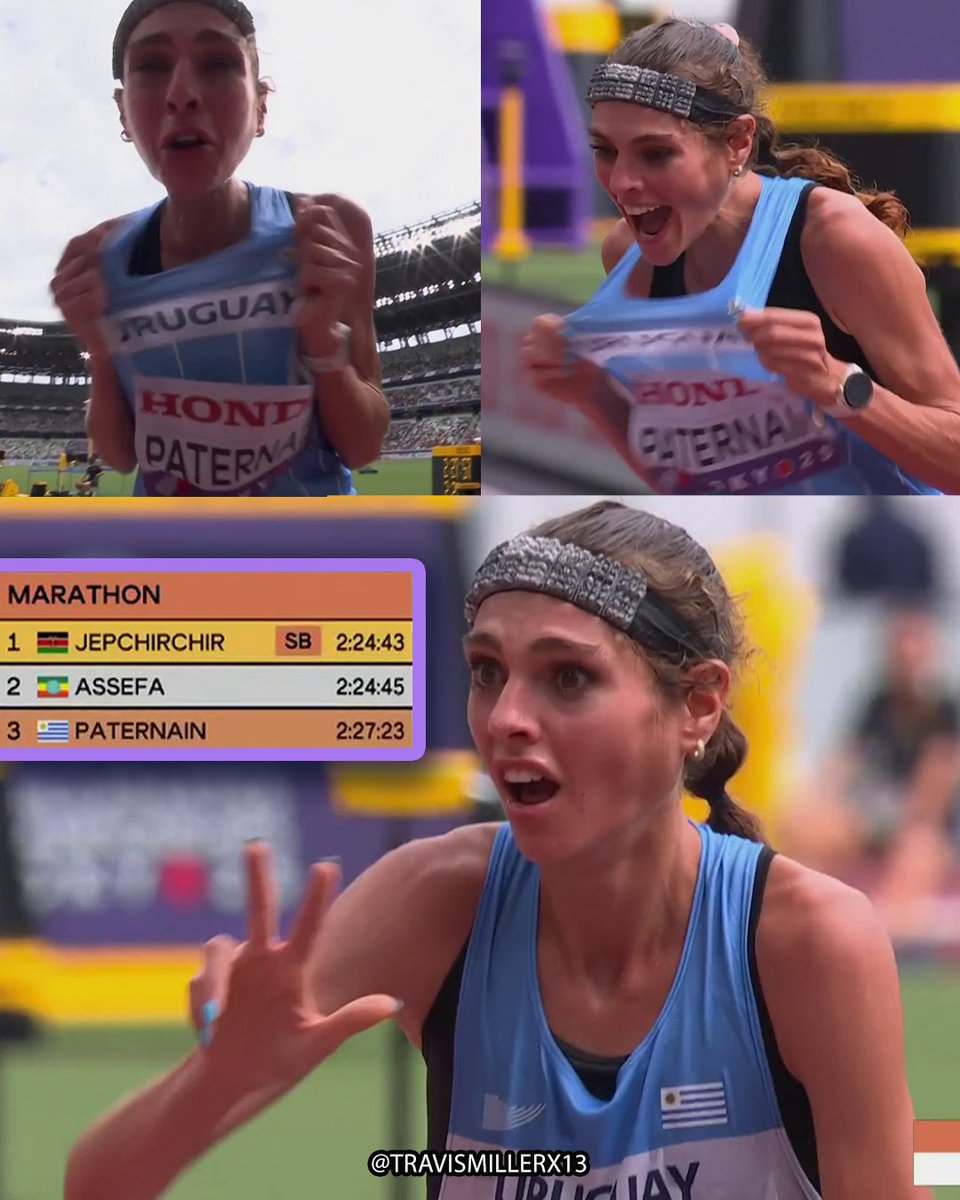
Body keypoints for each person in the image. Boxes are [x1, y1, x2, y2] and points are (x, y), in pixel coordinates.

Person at [64, 501, 926, 1199]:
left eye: (569, 677)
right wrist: (214, 1081)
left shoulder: (806, 939)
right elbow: (98, 1184)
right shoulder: (439, 898)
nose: (508, 717)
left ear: (698, 707)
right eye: (487, 671)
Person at [521, 19, 960, 496]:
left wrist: (835, 382)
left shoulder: (835, 239)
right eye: (604, 150)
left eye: (655, 154)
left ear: (737, 142)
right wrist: (594, 395)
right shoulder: (629, 257)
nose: (621, 181)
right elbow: (696, 479)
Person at [49, 0, 388, 496]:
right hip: (177, 564)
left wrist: (322, 346)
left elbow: (364, 448)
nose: (182, 94)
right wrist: (100, 352)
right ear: (122, 111)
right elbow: (120, 458)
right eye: (152, 67)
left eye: (217, 64)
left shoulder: (327, 228)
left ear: (262, 105)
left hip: (311, 560)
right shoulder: (99, 260)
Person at [781, 606, 960, 937]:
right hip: (877, 817)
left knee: (916, 850)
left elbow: (932, 794)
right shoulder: (878, 704)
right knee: (807, 829)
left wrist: (886, 822)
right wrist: (816, 802)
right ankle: (804, 922)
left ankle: (894, 935)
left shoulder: (943, 711)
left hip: (921, 827)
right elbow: (845, 760)